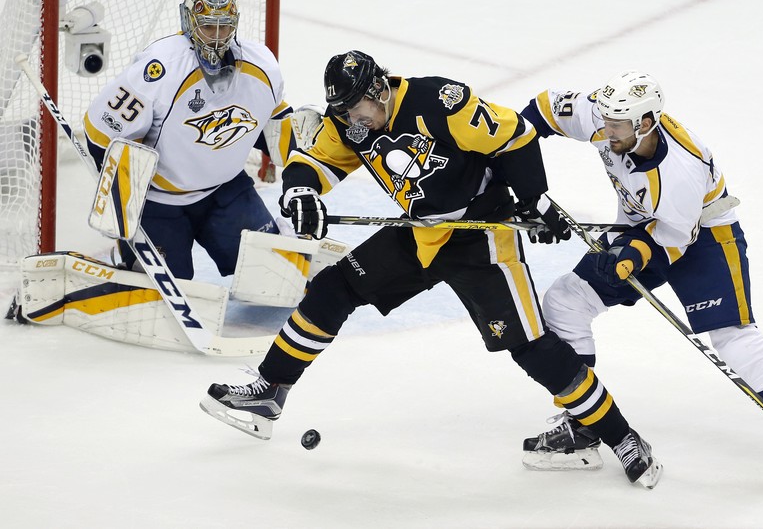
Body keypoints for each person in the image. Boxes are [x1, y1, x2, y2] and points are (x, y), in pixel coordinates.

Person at [199, 50, 663, 488]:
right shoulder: (349, 124)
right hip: (420, 234)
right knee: (331, 290)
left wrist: (533, 198)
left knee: (530, 346)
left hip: (481, 235)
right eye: (341, 113)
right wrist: (300, 193)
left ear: (380, 91)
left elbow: (516, 136)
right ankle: (269, 389)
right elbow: (313, 160)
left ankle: (622, 436)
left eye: (356, 110)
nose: (349, 123)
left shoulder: (441, 102)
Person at [518, 70, 763, 491]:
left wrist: (631, 255)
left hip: (705, 236)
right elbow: (538, 112)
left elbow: (673, 239)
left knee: (733, 336)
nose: (604, 131)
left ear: (646, 123)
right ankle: (585, 427)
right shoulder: (603, 114)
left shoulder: (681, 169)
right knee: (566, 301)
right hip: (640, 228)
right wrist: (520, 180)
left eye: (615, 126)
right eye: (604, 121)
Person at [83, 0, 294, 280]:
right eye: (208, 26)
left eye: (225, 26)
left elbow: (274, 127)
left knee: (273, 275)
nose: (218, 37)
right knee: (165, 293)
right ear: (189, 22)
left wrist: (303, 185)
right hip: (158, 202)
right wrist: (120, 204)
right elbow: (100, 133)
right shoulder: (160, 69)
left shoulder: (261, 65)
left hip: (226, 191)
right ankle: (128, 255)